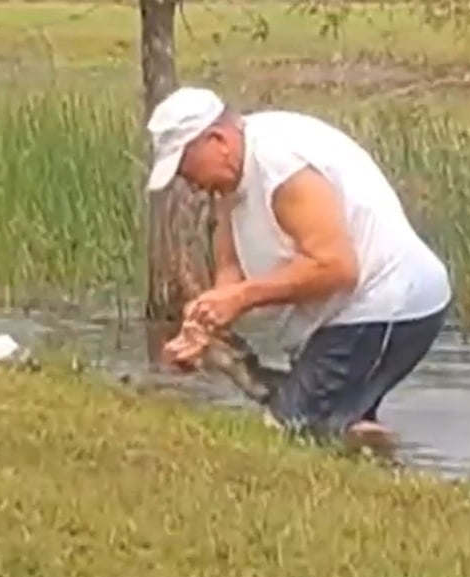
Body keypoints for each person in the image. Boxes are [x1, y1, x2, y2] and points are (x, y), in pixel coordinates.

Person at [146, 86, 451, 451]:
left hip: (387, 302)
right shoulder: (232, 176)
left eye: (184, 166)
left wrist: (241, 298)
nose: (187, 182)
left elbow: (337, 267)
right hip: (347, 313)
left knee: (287, 431)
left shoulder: (281, 167)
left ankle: (373, 454)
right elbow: (231, 265)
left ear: (217, 140)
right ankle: (371, 453)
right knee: (330, 425)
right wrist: (206, 323)